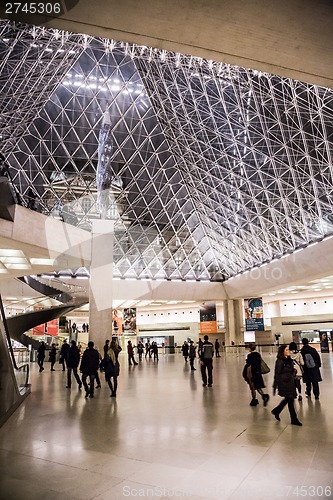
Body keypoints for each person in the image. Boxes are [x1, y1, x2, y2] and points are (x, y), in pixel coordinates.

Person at [271, 344, 302, 426]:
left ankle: (277, 411)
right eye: (287, 350)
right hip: (284, 383)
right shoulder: (280, 361)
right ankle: (294, 419)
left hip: (290, 381)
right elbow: (277, 373)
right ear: (283, 352)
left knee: (289, 399)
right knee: (290, 399)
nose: (289, 351)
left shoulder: (289, 360)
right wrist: (275, 385)